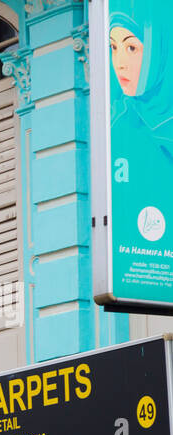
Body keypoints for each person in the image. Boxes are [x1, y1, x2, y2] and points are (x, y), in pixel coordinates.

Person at [108, 1, 173, 290]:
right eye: (113, 47)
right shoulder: (120, 125)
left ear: (158, 48)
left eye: (131, 47)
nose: (119, 62)